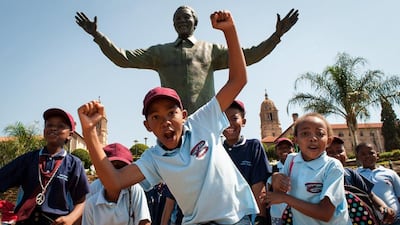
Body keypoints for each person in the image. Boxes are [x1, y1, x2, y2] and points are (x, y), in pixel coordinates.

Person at [78, 10, 258, 224]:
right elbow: (114, 182)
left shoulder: (203, 121)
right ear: (147, 126)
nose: (165, 121)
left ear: (183, 115)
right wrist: (89, 133)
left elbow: (238, 79)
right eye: (156, 116)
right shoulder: (154, 158)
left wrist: (229, 30)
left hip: (238, 219)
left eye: (171, 113)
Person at [75, 6, 299, 114]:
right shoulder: (160, 52)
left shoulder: (210, 50)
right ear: (173, 25)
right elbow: (122, 58)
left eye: (186, 17)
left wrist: (276, 35)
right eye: (177, 18)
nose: (182, 21)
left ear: (195, 22)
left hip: (206, 122)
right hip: (172, 124)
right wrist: (97, 35)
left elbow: (248, 56)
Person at [0, 108, 90, 225]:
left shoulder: (74, 164)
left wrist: (71, 218)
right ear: (44, 131)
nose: (53, 128)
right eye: (49, 125)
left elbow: (82, 201)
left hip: (55, 222)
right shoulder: (28, 159)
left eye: (61, 126)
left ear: (70, 135)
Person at [261, 112, 351, 224]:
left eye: (320, 133)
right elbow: (278, 188)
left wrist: (285, 198)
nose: (313, 138)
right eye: (305, 134)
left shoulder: (333, 166)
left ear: (328, 141)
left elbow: (325, 213)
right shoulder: (291, 161)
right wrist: (275, 178)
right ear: (296, 141)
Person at [222, 99, 271, 225]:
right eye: (224, 119)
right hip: (220, 215)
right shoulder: (215, 150)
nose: (229, 124)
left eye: (234, 118)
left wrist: (261, 217)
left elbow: (258, 185)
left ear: (243, 122)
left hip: (247, 217)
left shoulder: (253, 146)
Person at [326, 136, 396, 224]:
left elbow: (370, 195)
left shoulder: (351, 175)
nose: (336, 155)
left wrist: (384, 207)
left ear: (346, 155)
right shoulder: (319, 179)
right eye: (330, 152)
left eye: (340, 151)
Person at [82, 143, 151, 225]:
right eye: (111, 167)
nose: (115, 173)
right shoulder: (94, 188)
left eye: (121, 167)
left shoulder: (134, 188)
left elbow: (144, 221)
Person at [356, 142, 400, 225]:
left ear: (377, 155)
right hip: (370, 220)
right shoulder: (355, 175)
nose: (367, 156)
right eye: (363, 154)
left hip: (396, 219)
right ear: (358, 158)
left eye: (371, 153)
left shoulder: (390, 173)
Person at [265, 137, 294, 225]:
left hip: (298, 212)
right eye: (280, 148)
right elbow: (267, 191)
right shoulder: (272, 169)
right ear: (276, 151)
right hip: (278, 214)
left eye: (288, 147)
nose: (284, 150)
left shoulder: (301, 167)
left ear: (293, 149)